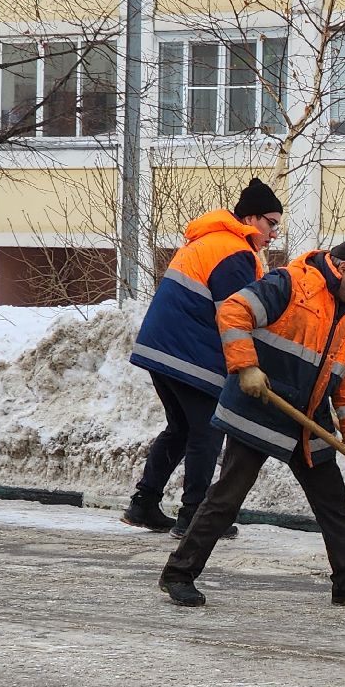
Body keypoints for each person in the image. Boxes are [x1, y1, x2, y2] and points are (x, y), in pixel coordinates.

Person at [158, 240, 345, 611]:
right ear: (343, 268)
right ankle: (178, 574)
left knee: (334, 504)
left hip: (307, 423)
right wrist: (246, 366)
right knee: (227, 498)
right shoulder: (290, 284)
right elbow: (234, 311)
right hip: (260, 408)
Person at [123, 178, 279, 538]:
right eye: (270, 223)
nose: (273, 233)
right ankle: (193, 515)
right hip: (188, 352)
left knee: (181, 428)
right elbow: (234, 315)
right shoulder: (235, 251)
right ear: (251, 217)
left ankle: (144, 503)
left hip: (161, 347)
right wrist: (248, 363)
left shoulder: (210, 241)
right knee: (206, 433)